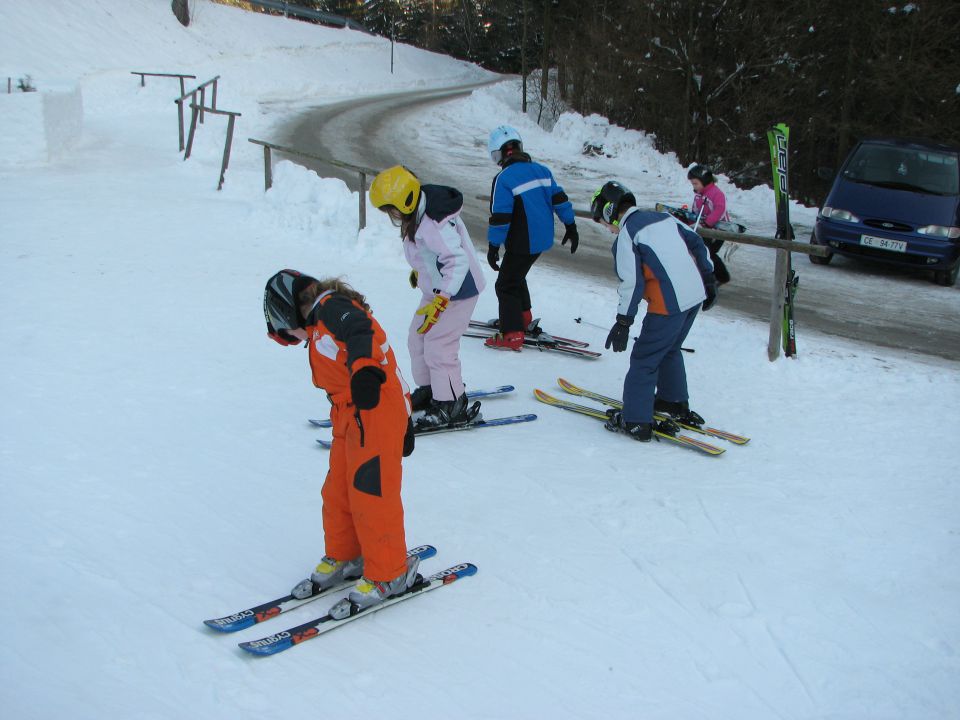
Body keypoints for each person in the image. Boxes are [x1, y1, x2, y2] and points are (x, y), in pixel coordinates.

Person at [263, 270, 419, 617]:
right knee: (337, 490)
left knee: (371, 494)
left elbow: (361, 333)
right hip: (350, 414)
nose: (291, 338)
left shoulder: (334, 308)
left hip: (374, 409)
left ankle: (390, 573)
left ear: (289, 311)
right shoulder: (322, 321)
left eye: (285, 330)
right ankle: (347, 554)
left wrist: (364, 370)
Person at [590, 181, 718, 442]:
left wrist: (623, 321)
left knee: (644, 358)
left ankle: (636, 420)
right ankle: (673, 401)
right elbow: (699, 244)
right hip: (693, 296)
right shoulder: (664, 218)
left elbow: (632, 282)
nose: (607, 229)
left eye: (604, 223)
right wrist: (709, 279)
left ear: (609, 212)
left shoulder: (628, 234)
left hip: (668, 304)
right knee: (670, 348)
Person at [368, 166, 486, 428]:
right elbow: (430, 254)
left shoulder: (434, 222)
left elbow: (457, 260)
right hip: (437, 289)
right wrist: (420, 272)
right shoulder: (418, 214)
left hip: (458, 292)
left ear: (405, 200)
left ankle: (451, 404)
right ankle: (433, 389)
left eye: (392, 210)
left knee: (439, 344)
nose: (392, 217)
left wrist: (443, 297)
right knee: (417, 337)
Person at [484, 125, 579, 351]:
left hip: (521, 241)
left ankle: (512, 333)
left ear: (497, 154)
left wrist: (493, 245)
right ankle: (523, 319)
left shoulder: (503, 178)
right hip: (541, 240)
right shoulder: (542, 170)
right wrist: (571, 225)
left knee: (505, 285)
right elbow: (560, 199)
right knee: (516, 276)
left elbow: (500, 217)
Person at [687, 164, 731, 284]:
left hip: (720, 229)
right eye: (693, 184)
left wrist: (707, 222)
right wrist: (691, 220)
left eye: (696, 183)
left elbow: (720, 209)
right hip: (704, 228)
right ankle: (708, 276)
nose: (694, 186)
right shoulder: (699, 194)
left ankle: (722, 277)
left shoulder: (716, 193)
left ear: (705, 181)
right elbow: (696, 210)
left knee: (709, 252)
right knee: (703, 251)